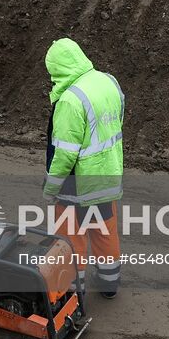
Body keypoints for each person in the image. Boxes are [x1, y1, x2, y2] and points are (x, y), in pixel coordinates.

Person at [41, 38, 125, 298]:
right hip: (107, 175)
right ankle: (109, 284)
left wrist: (51, 189)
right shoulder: (109, 81)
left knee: (70, 236)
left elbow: (65, 156)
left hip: (77, 184)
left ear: (56, 69)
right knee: (104, 230)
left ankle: (72, 293)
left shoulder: (70, 100)